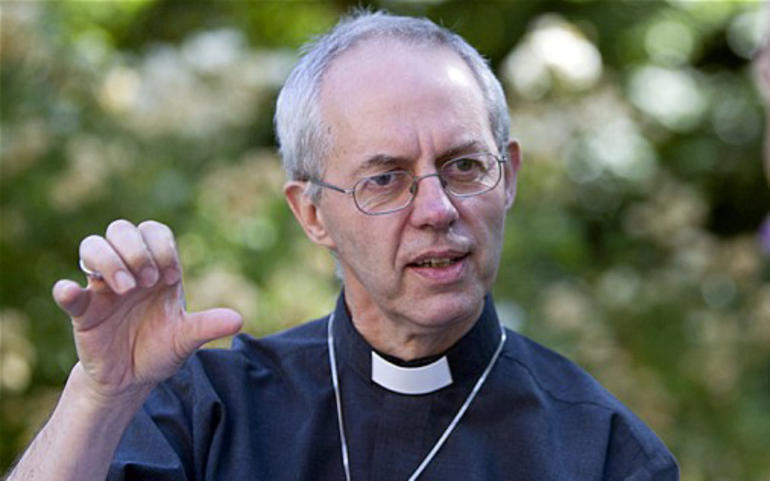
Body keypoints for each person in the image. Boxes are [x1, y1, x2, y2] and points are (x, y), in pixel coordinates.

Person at [7, 11, 679, 481]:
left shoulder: (601, 452)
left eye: (465, 166)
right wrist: (100, 396)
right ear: (312, 213)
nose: (437, 209)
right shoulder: (208, 411)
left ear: (509, 177)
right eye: (385, 179)